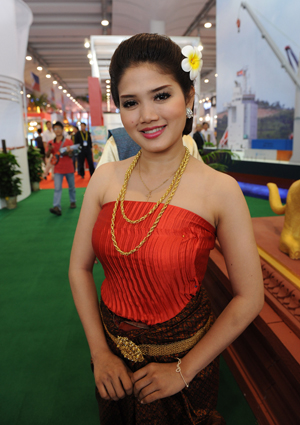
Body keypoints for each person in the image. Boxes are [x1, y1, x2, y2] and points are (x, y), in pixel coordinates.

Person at [69, 34, 264, 425]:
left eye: (161, 96)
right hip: (114, 363)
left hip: (185, 361)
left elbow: (249, 298)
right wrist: (101, 353)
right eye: (130, 103)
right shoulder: (105, 179)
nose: (146, 115)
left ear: (189, 97)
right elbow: (78, 269)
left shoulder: (219, 190)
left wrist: (183, 370)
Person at [97, 127, 202, 167]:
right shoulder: (116, 142)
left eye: (162, 97)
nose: (148, 116)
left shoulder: (187, 142)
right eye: (131, 103)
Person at [46, 121, 76, 216]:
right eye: (55, 128)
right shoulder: (50, 142)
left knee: (71, 187)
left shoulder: (68, 141)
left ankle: (73, 201)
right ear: (53, 130)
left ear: (62, 130)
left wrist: (69, 151)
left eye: (59, 128)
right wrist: (50, 149)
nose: (57, 130)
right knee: (57, 188)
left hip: (69, 167)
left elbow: (72, 155)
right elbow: (47, 155)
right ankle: (56, 207)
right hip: (58, 168)